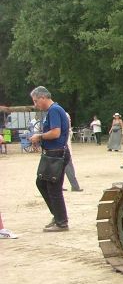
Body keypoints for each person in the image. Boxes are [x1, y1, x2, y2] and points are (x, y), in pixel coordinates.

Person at [29, 86, 70, 232]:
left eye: (35, 101)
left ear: (43, 97)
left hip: (57, 155)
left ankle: (61, 222)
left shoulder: (54, 110)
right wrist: (40, 141)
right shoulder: (52, 111)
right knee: (41, 183)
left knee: (54, 188)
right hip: (51, 154)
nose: (35, 105)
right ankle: (58, 216)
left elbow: (55, 133)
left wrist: (39, 136)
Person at [64, 113, 83, 192]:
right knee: (68, 168)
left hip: (62, 150)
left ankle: (73, 186)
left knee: (60, 170)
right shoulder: (64, 130)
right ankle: (75, 186)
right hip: (64, 150)